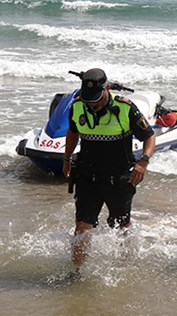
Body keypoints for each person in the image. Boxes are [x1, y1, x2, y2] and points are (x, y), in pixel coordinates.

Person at [62, 68, 156, 270]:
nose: (92, 104)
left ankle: (127, 266)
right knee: (82, 226)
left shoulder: (125, 108)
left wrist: (143, 162)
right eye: (89, 99)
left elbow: (149, 136)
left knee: (121, 225)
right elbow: (73, 132)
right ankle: (77, 272)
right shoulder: (77, 106)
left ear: (107, 89)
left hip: (119, 179)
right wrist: (66, 158)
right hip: (87, 177)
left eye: (96, 99)